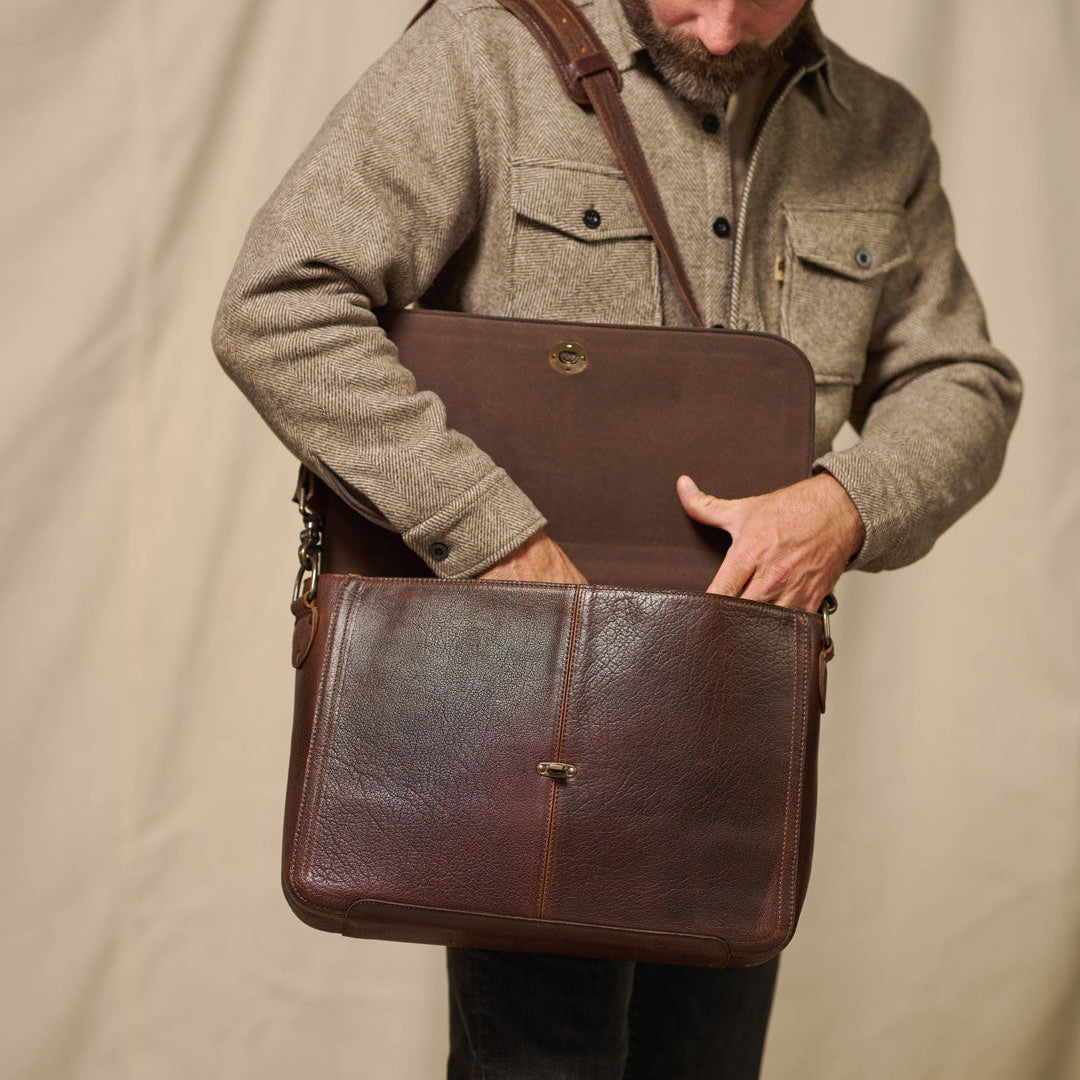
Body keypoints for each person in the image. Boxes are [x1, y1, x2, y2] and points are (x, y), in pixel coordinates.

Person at [211, 0, 1022, 1075]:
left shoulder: (880, 128)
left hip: (735, 720)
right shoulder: (480, 56)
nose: (726, 32)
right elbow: (281, 304)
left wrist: (849, 503)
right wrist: (497, 543)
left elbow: (962, 379)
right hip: (526, 708)